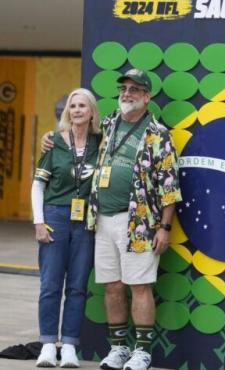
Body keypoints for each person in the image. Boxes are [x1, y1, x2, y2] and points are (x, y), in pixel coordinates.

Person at [42, 68, 181, 370]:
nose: (127, 94)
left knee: (140, 286)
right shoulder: (106, 125)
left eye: (134, 89)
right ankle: (118, 348)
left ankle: (141, 351)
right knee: (113, 286)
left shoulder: (158, 133)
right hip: (101, 220)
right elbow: (74, 137)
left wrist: (165, 227)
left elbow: (169, 185)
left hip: (139, 222)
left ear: (147, 96)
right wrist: (50, 138)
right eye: (124, 89)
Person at [33, 88, 101, 368]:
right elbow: (38, 185)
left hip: (85, 220)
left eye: (82, 105)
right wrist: (38, 222)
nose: (76, 110)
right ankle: (48, 344)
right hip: (55, 215)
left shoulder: (102, 143)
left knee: (77, 287)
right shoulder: (54, 143)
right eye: (72, 106)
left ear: (91, 111)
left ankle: (70, 345)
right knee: (50, 284)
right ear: (66, 112)